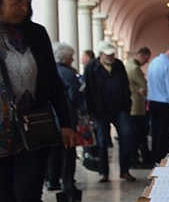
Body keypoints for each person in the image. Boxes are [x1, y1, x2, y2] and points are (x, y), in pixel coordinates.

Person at [0, 0, 76, 202]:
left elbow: (54, 83)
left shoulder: (36, 34)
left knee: (28, 191)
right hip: (1, 131)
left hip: (34, 126)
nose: (22, 6)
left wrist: (67, 122)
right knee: (4, 195)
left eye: (26, 1)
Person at [84, 39, 135, 182]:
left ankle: (125, 170)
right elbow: (88, 91)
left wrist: (128, 104)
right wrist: (90, 112)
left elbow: (125, 85)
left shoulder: (118, 65)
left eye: (112, 54)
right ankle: (103, 172)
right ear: (100, 54)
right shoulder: (91, 68)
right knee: (102, 141)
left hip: (120, 108)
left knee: (126, 136)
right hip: (100, 111)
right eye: (108, 54)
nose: (111, 57)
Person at [45, 42, 82, 191]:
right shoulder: (67, 73)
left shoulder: (50, 70)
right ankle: (67, 181)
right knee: (68, 149)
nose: (72, 60)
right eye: (71, 57)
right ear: (65, 58)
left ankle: (52, 180)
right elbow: (74, 94)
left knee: (55, 149)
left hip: (51, 116)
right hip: (66, 116)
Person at [127, 46, 152, 168]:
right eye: (146, 59)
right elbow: (144, 85)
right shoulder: (134, 68)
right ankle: (134, 159)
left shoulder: (129, 65)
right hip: (136, 106)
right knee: (137, 134)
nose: (146, 62)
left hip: (135, 105)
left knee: (139, 134)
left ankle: (138, 157)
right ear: (141, 55)